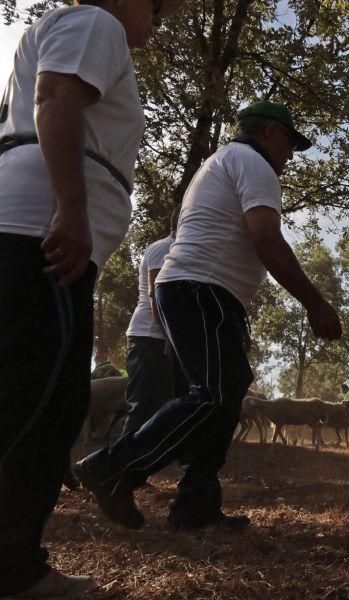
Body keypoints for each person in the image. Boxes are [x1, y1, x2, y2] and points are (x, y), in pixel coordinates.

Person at [76, 100, 342, 532]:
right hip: (201, 291)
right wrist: (315, 303)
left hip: (200, 294)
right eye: (290, 144)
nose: (290, 156)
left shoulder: (221, 162)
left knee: (220, 396)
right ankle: (111, 468)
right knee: (217, 393)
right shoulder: (253, 163)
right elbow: (266, 239)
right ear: (271, 133)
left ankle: (195, 505)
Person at [0, 0, 184, 595]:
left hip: (41, 237)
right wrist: (73, 212)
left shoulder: (73, 30)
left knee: (41, 402)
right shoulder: (96, 22)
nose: (162, 22)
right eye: (159, 8)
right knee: (34, 407)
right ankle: (12, 570)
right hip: (44, 239)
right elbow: (56, 98)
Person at [120, 206, 179, 436]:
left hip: (161, 338)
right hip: (148, 336)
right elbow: (157, 297)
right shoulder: (162, 249)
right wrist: (168, 336)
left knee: (158, 408)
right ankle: (119, 467)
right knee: (141, 407)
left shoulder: (177, 251)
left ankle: (134, 468)